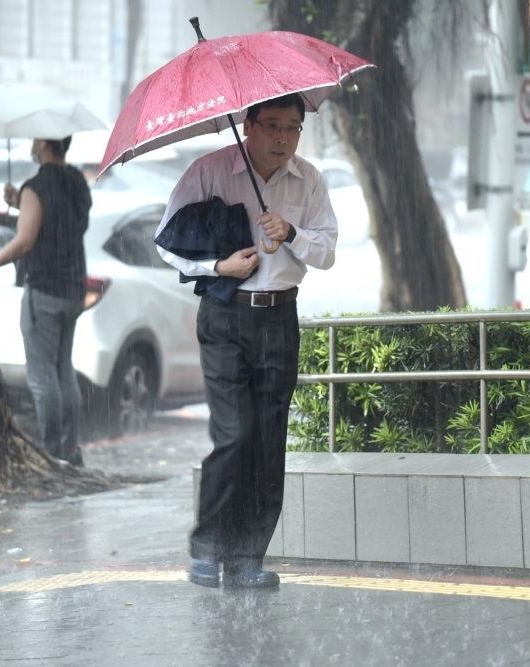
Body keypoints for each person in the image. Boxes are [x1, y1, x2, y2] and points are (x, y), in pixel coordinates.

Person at [156, 93, 337, 589]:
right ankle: (207, 546)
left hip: (280, 318)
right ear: (248, 124)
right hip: (225, 316)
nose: (282, 138)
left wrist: (293, 233)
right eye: (273, 125)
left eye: (293, 128)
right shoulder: (209, 171)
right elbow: (166, 242)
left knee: (266, 441)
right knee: (234, 434)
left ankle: (246, 558)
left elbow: (327, 251)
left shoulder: (310, 180)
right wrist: (219, 267)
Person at [0, 137, 92, 466]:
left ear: (45, 144)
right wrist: (23, 203)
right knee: (64, 370)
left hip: (45, 289)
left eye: (36, 137)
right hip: (73, 289)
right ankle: (69, 449)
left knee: (42, 376)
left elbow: (25, 242)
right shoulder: (77, 180)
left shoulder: (36, 185)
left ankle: (51, 451)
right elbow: (61, 222)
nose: (32, 142)